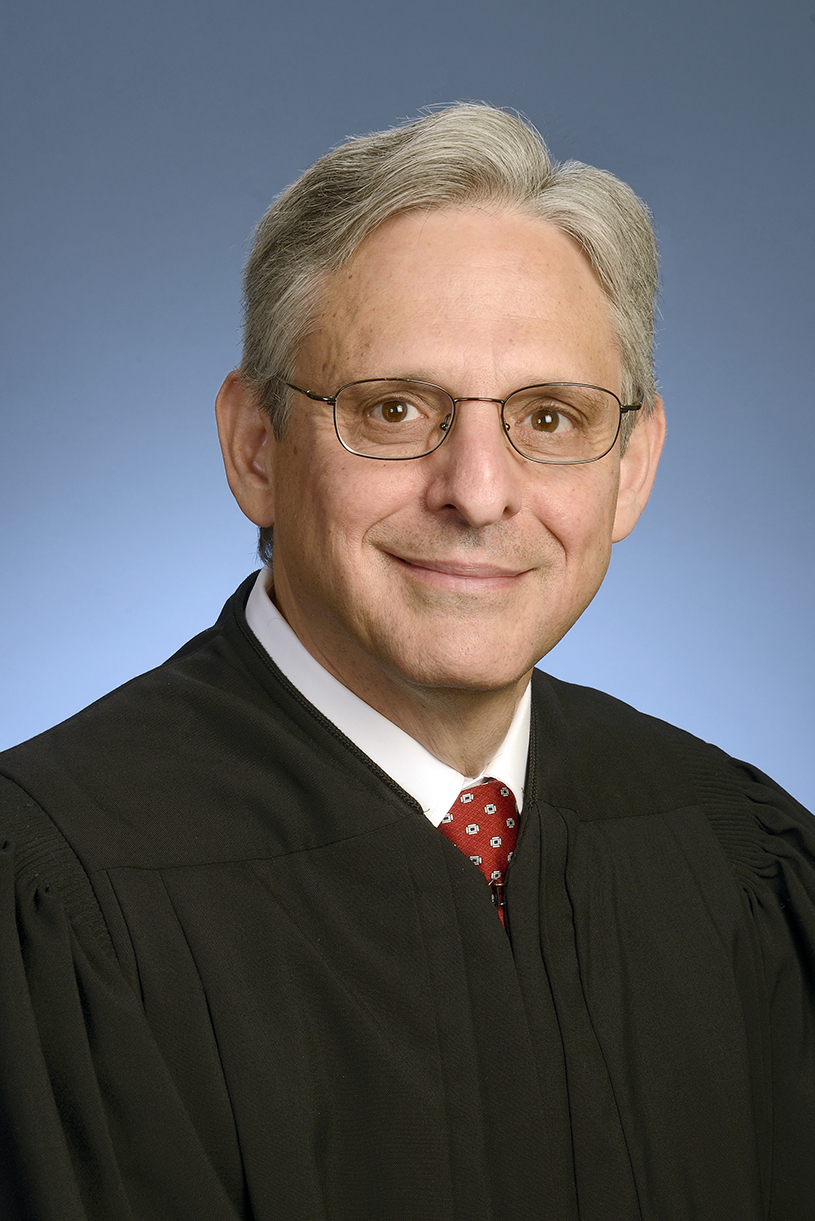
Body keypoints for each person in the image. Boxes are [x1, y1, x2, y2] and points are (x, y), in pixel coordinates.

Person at [1, 104, 813, 1221]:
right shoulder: (56, 899)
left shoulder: (739, 860)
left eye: (550, 418)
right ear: (255, 446)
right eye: (393, 409)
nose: (476, 492)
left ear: (630, 468)